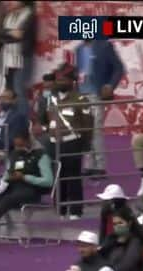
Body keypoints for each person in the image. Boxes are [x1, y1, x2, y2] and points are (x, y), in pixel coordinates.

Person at [48, 64, 92, 220]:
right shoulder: (49, 98)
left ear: (72, 81)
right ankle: (60, 208)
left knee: (73, 176)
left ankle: (75, 210)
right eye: (59, 79)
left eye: (64, 79)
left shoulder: (80, 100)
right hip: (54, 142)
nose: (60, 82)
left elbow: (87, 124)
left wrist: (86, 144)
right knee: (58, 175)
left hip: (72, 142)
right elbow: (43, 118)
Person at [75, 39, 125, 177]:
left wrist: (110, 85)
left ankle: (100, 166)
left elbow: (119, 68)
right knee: (84, 131)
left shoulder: (104, 45)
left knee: (95, 130)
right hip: (80, 95)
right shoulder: (78, 49)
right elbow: (79, 71)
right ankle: (89, 165)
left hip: (96, 94)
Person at [0, 131, 53, 227]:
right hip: (13, 187)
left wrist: (25, 177)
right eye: (16, 146)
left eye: (21, 145)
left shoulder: (41, 156)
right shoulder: (15, 154)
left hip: (31, 190)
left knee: (7, 199)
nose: (18, 148)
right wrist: (8, 177)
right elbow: (7, 173)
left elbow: (48, 181)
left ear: (28, 142)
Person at [99, 207, 143, 271]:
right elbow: (100, 256)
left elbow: (127, 265)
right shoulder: (111, 238)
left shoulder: (136, 241)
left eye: (120, 223)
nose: (117, 226)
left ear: (129, 223)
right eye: (115, 224)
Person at [0, 1, 36, 113]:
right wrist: (10, 33)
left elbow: (20, 34)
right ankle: (10, 118)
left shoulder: (29, 15)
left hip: (22, 57)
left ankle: (24, 121)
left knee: (19, 89)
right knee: (9, 91)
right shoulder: (9, 16)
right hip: (7, 57)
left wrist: (6, 33)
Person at [34, 72, 55, 153]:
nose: (47, 90)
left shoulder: (56, 98)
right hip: (41, 127)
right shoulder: (41, 97)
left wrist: (43, 128)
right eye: (46, 88)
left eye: (49, 88)